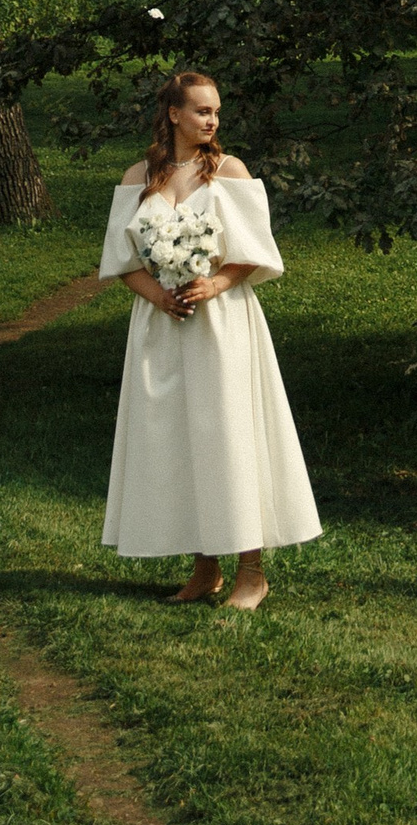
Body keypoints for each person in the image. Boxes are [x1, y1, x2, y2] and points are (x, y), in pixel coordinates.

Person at [99, 69, 321, 608]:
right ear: (173, 114)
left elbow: (253, 254)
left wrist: (213, 283)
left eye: (216, 111)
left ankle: (252, 571)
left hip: (221, 325)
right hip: (162, 328)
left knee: (228, 435)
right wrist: (159, 295)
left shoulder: (228, 171)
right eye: (201, 110)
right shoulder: (138, 177)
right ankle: (204, 569)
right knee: (178, 440)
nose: (212, 120)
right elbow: (121, 262)